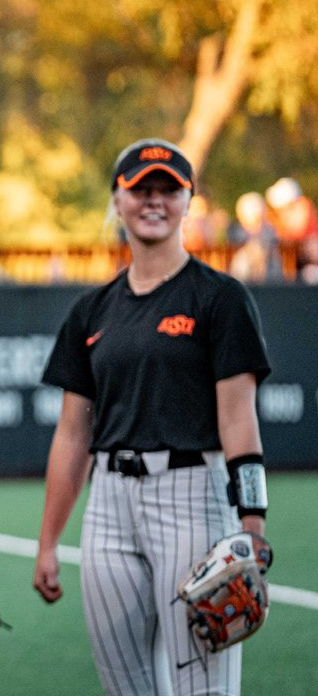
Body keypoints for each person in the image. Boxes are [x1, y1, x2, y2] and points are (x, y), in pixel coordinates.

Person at [33, 139, 271, 696]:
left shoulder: (221, 298)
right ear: (117, 200)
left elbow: (240, 423)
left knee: (201, 687)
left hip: (191, 496)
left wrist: (253, 526)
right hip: (108, 504)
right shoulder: (91, 310)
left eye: (169, 189)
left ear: (189, 201)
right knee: (125, 685)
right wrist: (48, 541)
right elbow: (73, 434)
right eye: (141, 189)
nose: (154, 200)